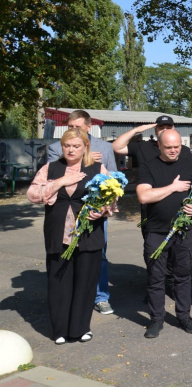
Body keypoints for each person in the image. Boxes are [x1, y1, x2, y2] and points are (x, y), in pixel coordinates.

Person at [28, 129, 115, 344]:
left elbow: (112, 196)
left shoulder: (97, 169)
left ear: (85, 146)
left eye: (76, 146)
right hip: (59, 235)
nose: (71, 150)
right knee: (59, 282)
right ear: (62, 146)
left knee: (85, 283)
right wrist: (59, 182)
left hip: (89, 234)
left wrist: (103, 210)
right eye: (67, 145)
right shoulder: (51, 168)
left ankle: (80, 328)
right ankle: (59, 330)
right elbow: (32, 194)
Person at [47, 110, 118, 316]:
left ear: (89, 127)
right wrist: (78, 157)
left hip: (93, 212)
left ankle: (100, 297)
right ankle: (70, 296)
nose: (74, 131)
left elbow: (114, 179)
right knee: (65, 255)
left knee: (98, 255)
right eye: (70, 127)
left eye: (78, 127)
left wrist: (104, 207)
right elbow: (49, 173)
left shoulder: (104, 148)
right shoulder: (55, 147)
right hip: (66, 212)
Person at [137, 130, 192, 339]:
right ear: (159, 145)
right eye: (169, 147)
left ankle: (184, 316)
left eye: (176, 146)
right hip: (157, 232)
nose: (174, 150)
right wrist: (173, 187)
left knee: (182, 276)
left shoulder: (188, 164)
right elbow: (144, 196)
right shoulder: (148, 166)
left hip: (184, 232)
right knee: (156, 278)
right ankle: (156, 319)